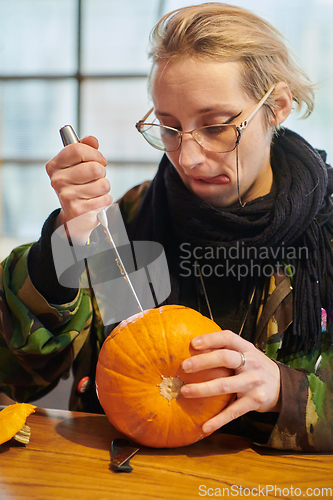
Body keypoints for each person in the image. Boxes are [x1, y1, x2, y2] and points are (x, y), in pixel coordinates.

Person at [1, 3, 332, 451]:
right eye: (170, 128)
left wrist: (283, 391)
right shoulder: (132, 222)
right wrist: (64, 242)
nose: (189, 159)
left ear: (277, 106)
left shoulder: (324, 232)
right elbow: (17, 373)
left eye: (216, 126)